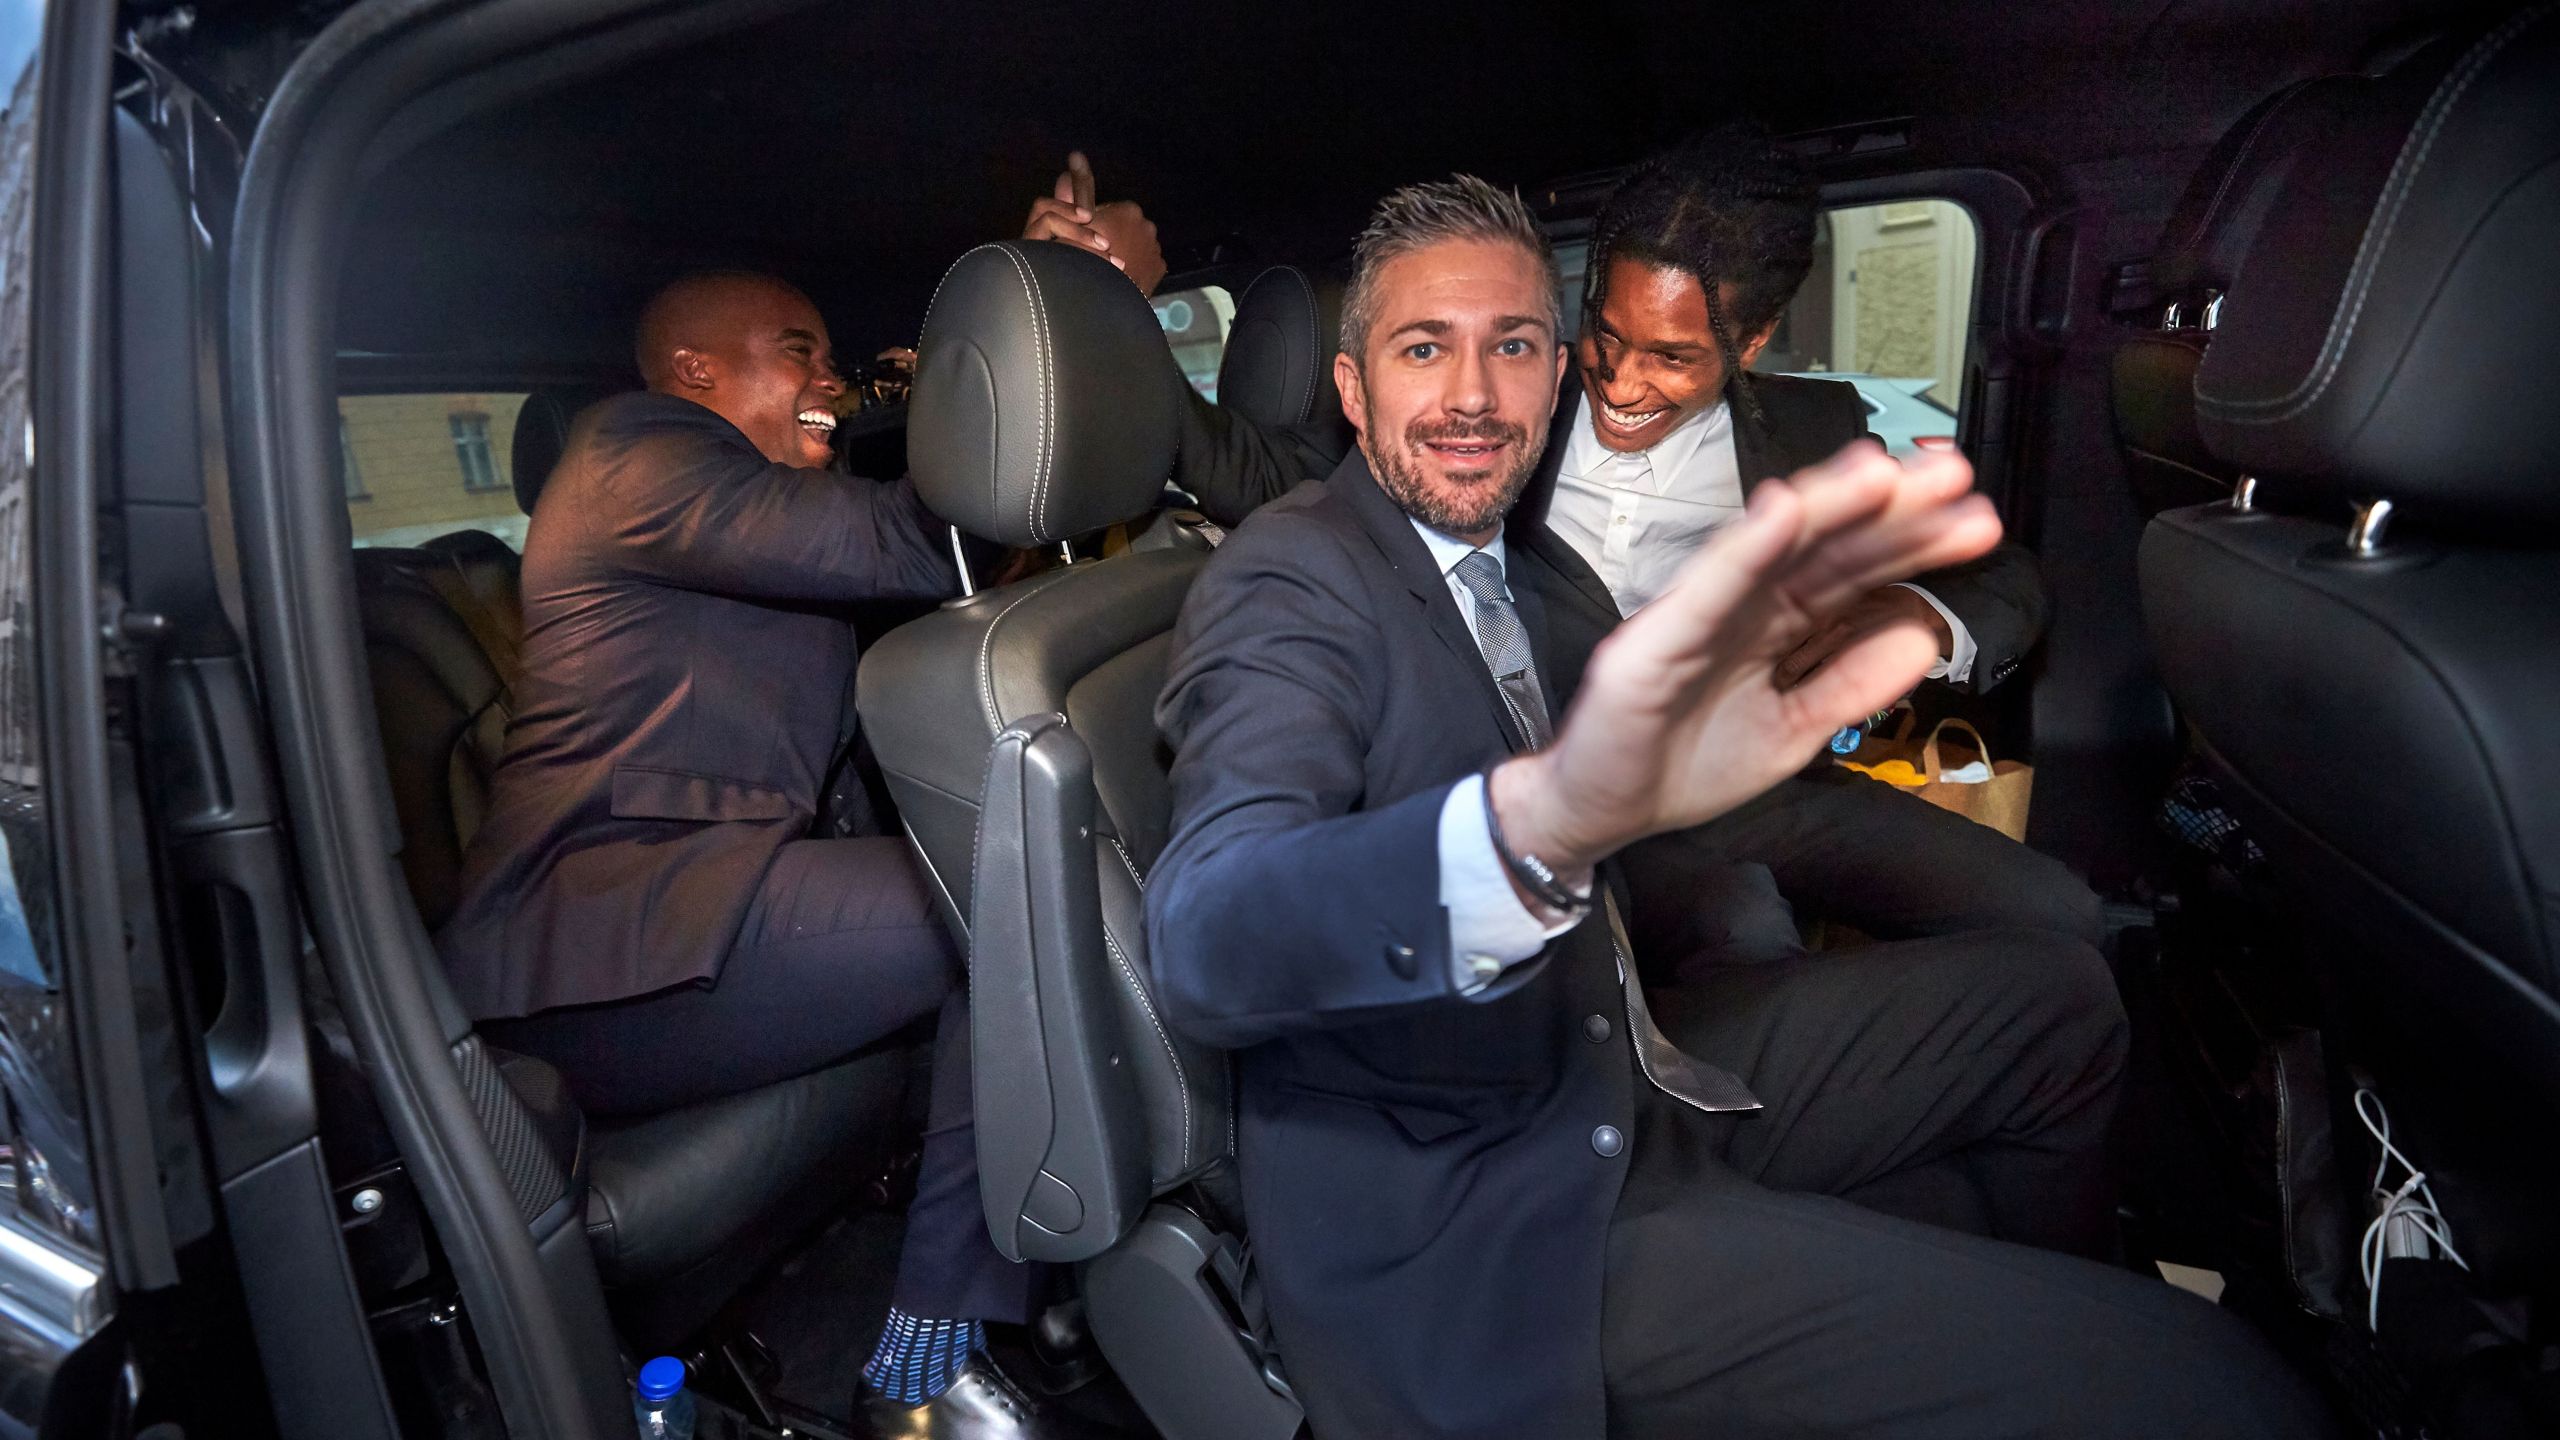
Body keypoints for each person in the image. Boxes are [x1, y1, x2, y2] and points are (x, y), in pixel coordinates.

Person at [1145, 175, 2336, 1438]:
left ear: (1553, 378)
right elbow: (1213, 930)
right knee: (2221, 1390)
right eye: (1422, 348)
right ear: (1351, 388)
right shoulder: (1291, 577)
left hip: (1618, 1072)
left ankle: (2053, 1324)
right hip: (1490, 1225)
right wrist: (1540, 823)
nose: (1471, 396)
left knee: (2060, 1003)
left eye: (1512, 347)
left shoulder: (1522, 563)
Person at [1167, 123, 2101, 961]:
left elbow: (2002, 574)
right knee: (1740, 928)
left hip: (1755, 782)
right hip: (1555, 781)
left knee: (2058, 916)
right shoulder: (1504, 413)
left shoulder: (1818, 436)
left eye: (1675, 358)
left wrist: (1919, 616)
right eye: (1606, 337)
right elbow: (1261, 466)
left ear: (1755, 339)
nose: (1621, 382)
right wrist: (1114, 320)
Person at [435, 262, 1081, 1435]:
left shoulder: (726, 505)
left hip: (690, 909)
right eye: (800, 351)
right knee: (1013, 901)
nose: (830, 379)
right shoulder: (638, 455)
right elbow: (907, 543)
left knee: (1016, 873)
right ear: (694, 373)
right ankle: (922, 1358)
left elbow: (935, 568)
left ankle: (1033, 1250)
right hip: (591, 944)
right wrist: (1025, 337)